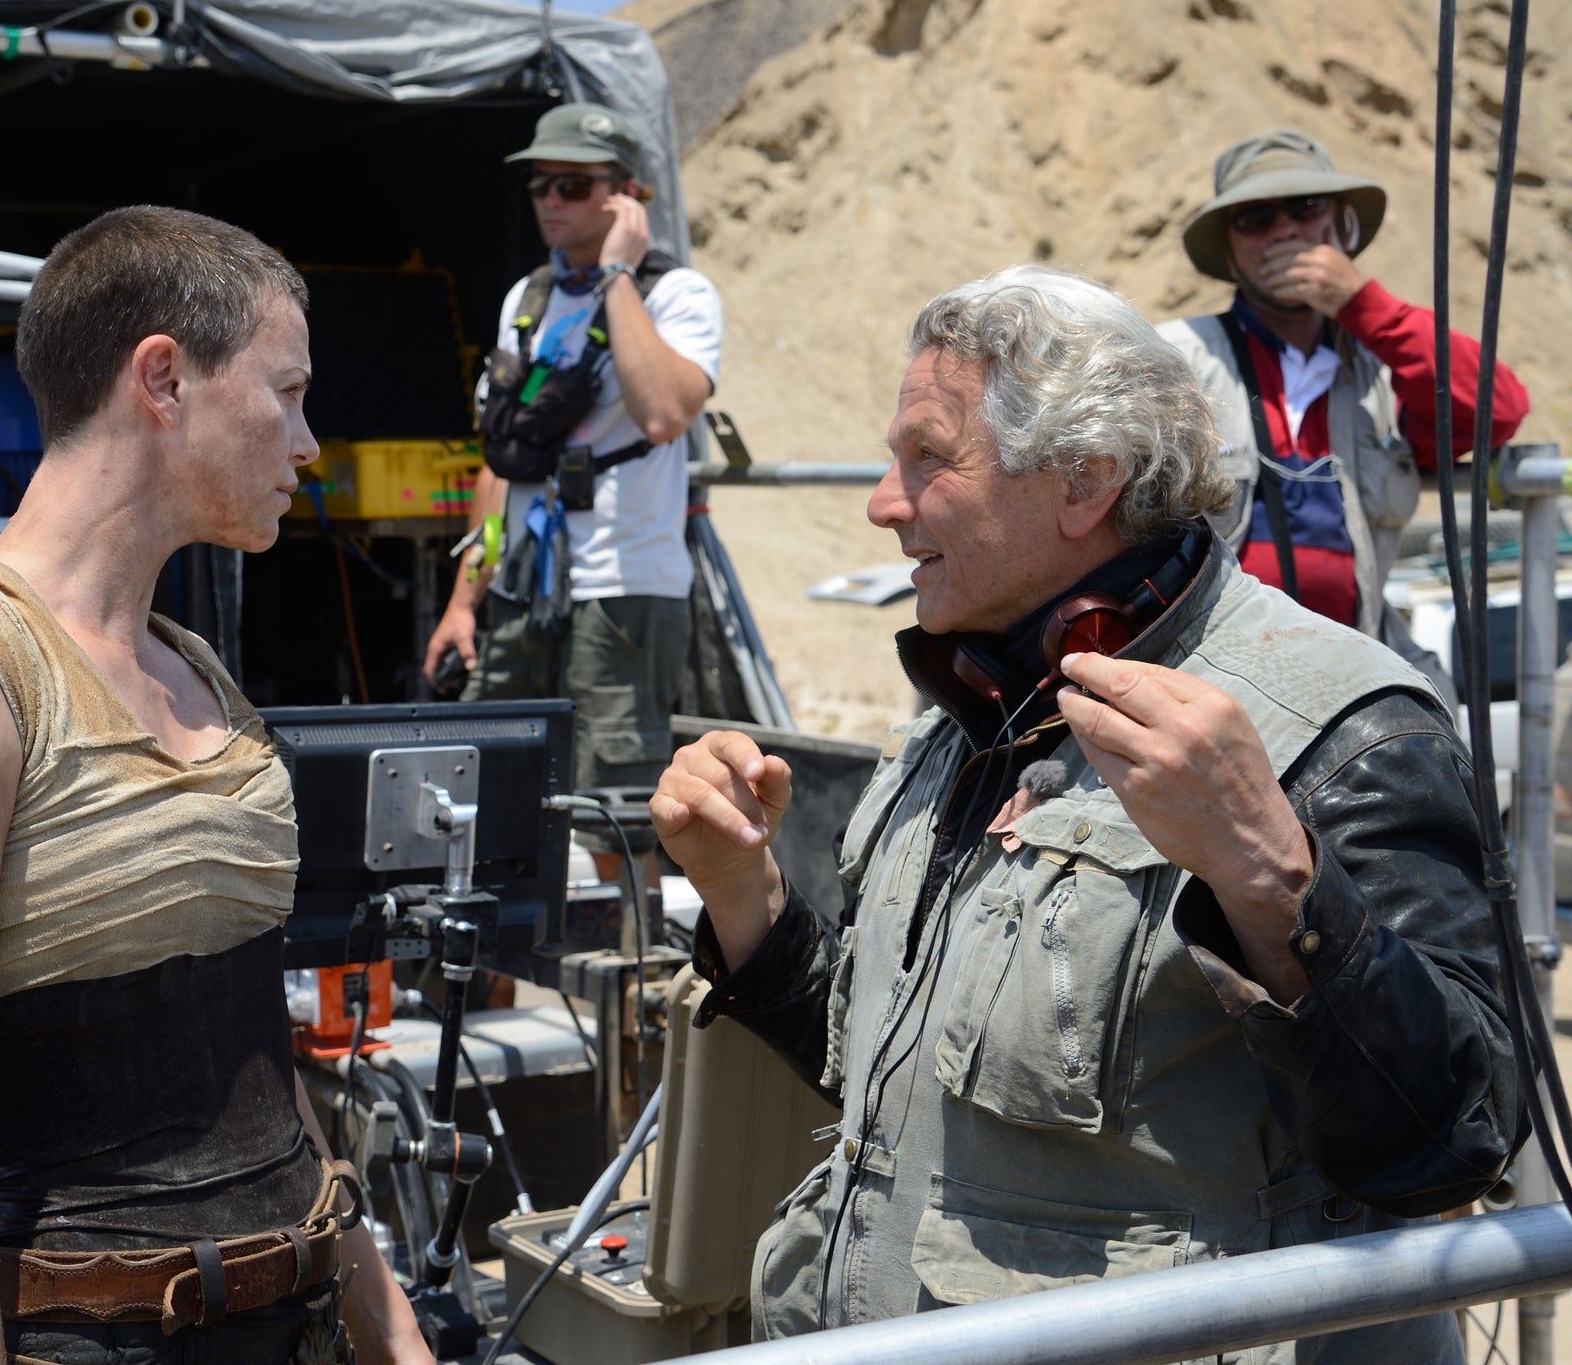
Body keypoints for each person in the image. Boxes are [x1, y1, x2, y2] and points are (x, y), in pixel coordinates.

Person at [655, 267, 1519, 1361]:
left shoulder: (1341, 726)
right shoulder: (975, 702)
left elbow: (1449, 1140)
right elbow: (899, 1085)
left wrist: (1269, 879)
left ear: (1084, 482)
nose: (882, 499)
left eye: (929, 457)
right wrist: (745, 899)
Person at [0, 207, 432, 1365]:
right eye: (285, 391)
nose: (307, 442)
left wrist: (391, 1337)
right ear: (163, 379)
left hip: (286, 1318)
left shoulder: (189, 668)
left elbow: (258, 1068)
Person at [422, 103, 721, 821]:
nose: (550, 200)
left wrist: (617, 273)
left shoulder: (677, 294)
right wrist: (465, 600)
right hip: (521, 590)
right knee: (485, 792)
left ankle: (627, 935)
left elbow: (662, 413)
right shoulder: (527, 297)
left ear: (626, 198)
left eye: (573, 185)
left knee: (612, 811)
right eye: (539, 185)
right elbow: (506, 456)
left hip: (624, 589)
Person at [1158, 129, 1528, 638]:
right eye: (1257, 218)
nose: (1286, 231)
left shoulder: (1387, 372)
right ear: (1230, 246)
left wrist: (1362, 304)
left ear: (1341, 225)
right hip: (1211, 664)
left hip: (1358, 658)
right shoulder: (1178, 358)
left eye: (1306, 208)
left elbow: (1494, 410)